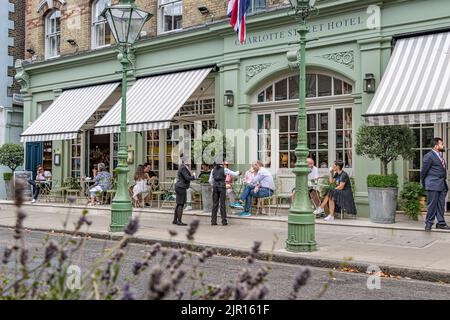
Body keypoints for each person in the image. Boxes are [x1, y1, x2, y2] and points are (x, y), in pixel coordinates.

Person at [421, 137, 450, 231]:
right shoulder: (429, 156)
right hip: (433, 184)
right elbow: (423, 171)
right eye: (441, 144)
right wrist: (424, 183)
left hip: (442, 185)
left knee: (441, 205)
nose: (443, 145)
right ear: (436, 146)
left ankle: (441, 223)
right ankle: (428, 224)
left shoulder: (439, 156)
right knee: (432, 205)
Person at [209, 160, 240, 225]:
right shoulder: (225, 169)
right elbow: (234, 173)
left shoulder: (213, 170)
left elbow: (210, 180)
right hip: (222, 187)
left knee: (215, 204)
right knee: (222, 204)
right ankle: (224, 221)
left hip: (215, 187)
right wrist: (238, 172)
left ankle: (213, 221)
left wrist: (214, 185)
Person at [174, 155, 196, 226]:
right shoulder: (183, 167)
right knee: (181, 204)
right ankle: (179, 221)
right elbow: (187, 177)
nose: (190, 161)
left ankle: (175, 220)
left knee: (178, 204)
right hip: (181, 187)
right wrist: (193, 177)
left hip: (179, 186)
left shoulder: (183, 167)